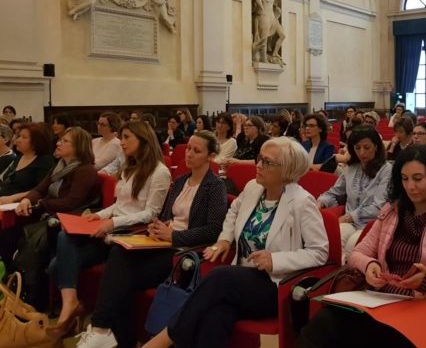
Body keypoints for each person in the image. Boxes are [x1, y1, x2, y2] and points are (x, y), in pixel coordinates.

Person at [142, 137, 329, 348]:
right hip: (240, 280)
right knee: (216, 315)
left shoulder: (303, 203)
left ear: (287, 170)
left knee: (219, 277)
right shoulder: (253, 188)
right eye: (259, 159)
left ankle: (164, 339)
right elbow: (233, 212)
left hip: (274, 285)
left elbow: (319, 251)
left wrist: (275, 260)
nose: (258, 165)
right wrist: (224, 240)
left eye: (267, 162)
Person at [299, 145, 426, 347]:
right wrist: (370, 265)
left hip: (423, 307)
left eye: (418, 179)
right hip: (381, 300)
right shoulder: (392, 212)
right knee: (322, 324)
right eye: (404, 179)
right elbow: (358, 253)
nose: (410, 187)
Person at [74, 132, 228, 347]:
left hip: (183, 253)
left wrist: (174, 236)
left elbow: (213, 231)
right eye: (189, 148)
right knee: (119, 253)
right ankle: (108, 333)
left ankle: (104, 331)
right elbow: (165, 215)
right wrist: (159, 227)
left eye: (197, 151)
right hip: (162, 243)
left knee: (122, 279)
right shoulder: (182, 180)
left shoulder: (215, 186)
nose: (189, 154)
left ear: (210, 156)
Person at [48, 121, 171, 338]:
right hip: (111, 227)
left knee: (59, 264)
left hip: (131, 233)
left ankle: (86, 318)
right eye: (121, 137)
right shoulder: (130, 167)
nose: (121, 143)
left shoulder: (159, 172)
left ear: (143, 140)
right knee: (63, 241)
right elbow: (120, 204)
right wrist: (100, 214)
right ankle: (72, 304)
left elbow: (151, 213)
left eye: (126, 138)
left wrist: (113, 223)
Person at [0, 127, 99, 273]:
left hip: (64, 219)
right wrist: (27, 200)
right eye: (60, 140)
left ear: (78, 146)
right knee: (7, 235)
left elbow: (71, 202)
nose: (58, 143)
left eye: (65, 141)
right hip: (48, 212)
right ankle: (14, 280)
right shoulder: (60, 166)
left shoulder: (85, 170)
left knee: (16, 238)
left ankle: (27, 285)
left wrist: (40, 203)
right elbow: (40, 189)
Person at [317, 126, 392, 259]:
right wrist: (320, 202)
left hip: (372, 223)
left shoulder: (386, 170)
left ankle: (349, 277)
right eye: (357, 148)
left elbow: (378, 207)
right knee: (334, 238)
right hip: (350, 223)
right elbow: (334, 193)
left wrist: (348, 217)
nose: (362, 153)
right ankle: (336, 276)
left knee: (353, 245)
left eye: (367, 147)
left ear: (376, 147)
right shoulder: (352, 168)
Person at [0, 123, 54, 199]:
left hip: (20, 204)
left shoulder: (44, 161)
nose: (18, 140)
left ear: (36, 141)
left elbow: (41, 191)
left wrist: (11, 198)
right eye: (19, 136)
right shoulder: (19, 157)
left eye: (24, 137)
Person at [252, 0, 286, 64]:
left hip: (272, 17)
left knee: (282, 35)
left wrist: (277, 10)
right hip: (264, 16)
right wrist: (261, 7)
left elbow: (273, 5)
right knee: (264, 38)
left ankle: (274, 53)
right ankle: (263, 58)